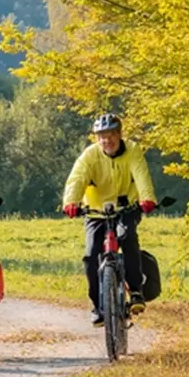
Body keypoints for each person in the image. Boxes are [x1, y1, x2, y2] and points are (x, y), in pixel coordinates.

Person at [62, 113, 158, 325]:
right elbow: (77, 179)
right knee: (90, 254)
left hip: (127, 207)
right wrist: (71, 202)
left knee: (127, 236)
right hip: (96, 212)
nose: (107, 140)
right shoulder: (90, 155)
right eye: (101, 136)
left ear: (119, 135)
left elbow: (141, 175)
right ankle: (98, 306)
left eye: (111, 135)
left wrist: (147, 198)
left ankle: (135, 291)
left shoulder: (132, 150)